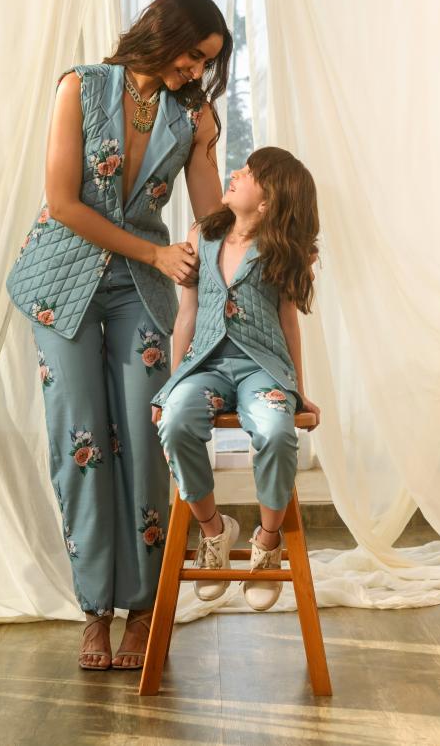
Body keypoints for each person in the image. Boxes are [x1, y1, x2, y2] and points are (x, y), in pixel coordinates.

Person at [5, 0, 232, 669]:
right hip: (61, 283)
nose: (195, 71)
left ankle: (140, 611)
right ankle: (93, 611)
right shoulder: (80, 86)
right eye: (193, 54)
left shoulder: (188, 118)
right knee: (80, 440)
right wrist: (156, 251)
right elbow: (63, 203)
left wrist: (210, 147)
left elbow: (211, 218)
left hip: (140, 293)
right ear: (162, 33)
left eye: (206, 63)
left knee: (143, 435)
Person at [152, 146, 321, 611]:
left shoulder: (279, 250)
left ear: (266, 203)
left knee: (274, 429)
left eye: (246, 174)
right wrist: (171, 383)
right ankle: (213, 531)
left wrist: (298, 390)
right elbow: (187, 315)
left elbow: (289, 320)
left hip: (260, 367)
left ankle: (268, 544)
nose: (234, 173)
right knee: (177, 418)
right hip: (204, 364)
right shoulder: (202, 237)